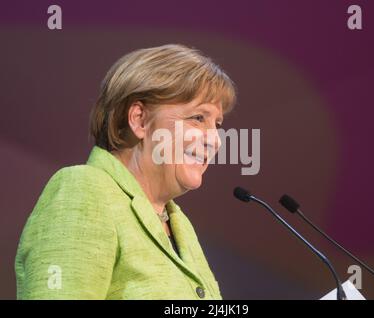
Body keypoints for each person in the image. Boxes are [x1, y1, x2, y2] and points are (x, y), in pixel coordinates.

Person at [15, 44, 236, 299]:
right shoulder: (83, 190)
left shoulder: (178, 224)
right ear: (140, 119)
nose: (215, 140)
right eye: (198, 118)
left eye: (217, 124)